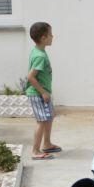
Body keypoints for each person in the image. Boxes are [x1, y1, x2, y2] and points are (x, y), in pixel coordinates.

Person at [26, 21, 59, 160]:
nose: (53, 36)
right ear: (43, 38)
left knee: (49, 117)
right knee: (41, 121)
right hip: (38, 94)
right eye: (50, 34)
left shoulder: (38, 51)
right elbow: (31, 77)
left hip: (43, 93)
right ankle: (35, 150)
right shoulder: (40, 56)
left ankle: (47, 143)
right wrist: (43, 92)